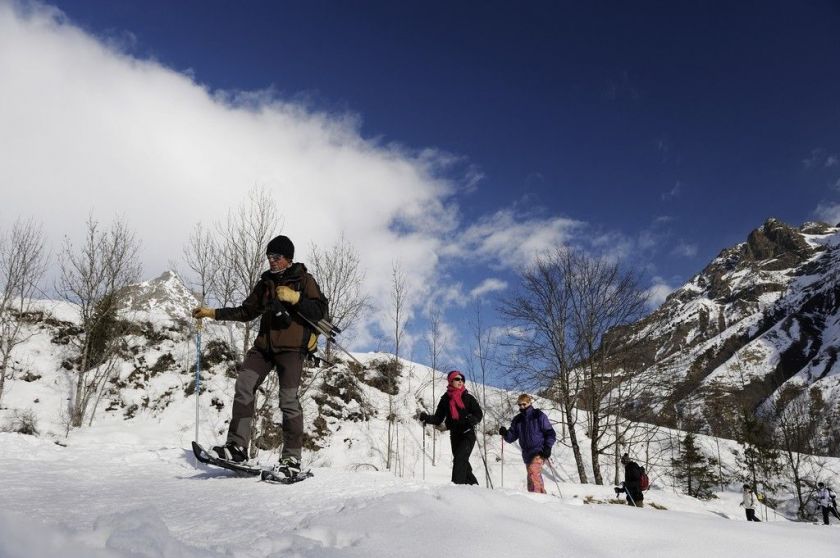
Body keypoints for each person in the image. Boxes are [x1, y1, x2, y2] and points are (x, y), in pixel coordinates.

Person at [192, 234, 327, 479]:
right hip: (264, 347)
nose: (271, 261)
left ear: (288, 258)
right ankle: (237, 447)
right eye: (269, 257)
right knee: (244, 384)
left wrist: (296, 299)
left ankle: (291, 458)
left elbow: (320, 311)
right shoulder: (265, 283)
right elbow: (246, 311)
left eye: (276, 257)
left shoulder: (304, 280)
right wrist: (212, 313)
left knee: (288, 400)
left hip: (292, 349)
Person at [418, 370, 483, 485]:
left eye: (462, 379)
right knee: (462, 462)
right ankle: (474, 488)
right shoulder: (445, 399)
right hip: (455, 435)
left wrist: (472, 419)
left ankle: (456, 488)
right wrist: (426, 418)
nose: (460, 381)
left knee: (459, 459)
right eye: (457, 379)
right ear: (451, 381)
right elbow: (438, 418)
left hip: (468, 433)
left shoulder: (468, 397)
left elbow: (478, 414)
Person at [499, 394, 557, 493]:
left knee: (533, 472)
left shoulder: (538, 415)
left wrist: (548, 447)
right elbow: (511, 437)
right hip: (527, 453)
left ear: (530, 403)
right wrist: (505, 433)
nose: (522, 407)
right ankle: (537, 499)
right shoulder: (518, 420)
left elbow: (550, 433)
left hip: (539, 450)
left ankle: (539, 498)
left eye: (524, 404)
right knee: (531, 478)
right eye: (519, 405)